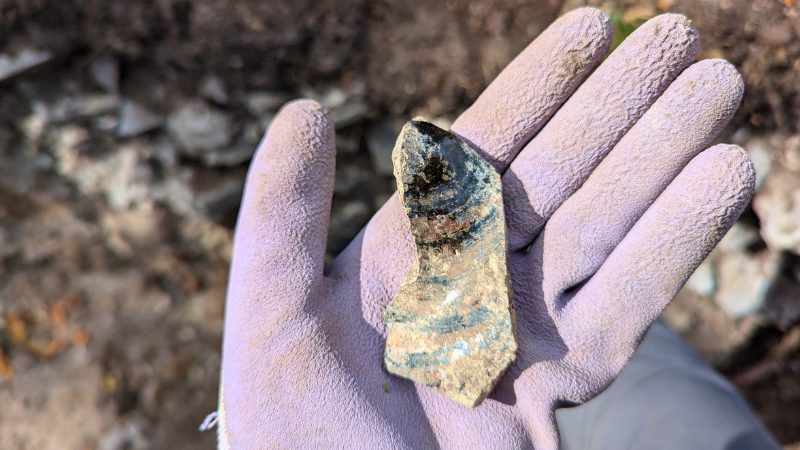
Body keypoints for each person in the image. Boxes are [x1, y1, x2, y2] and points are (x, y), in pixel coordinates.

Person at [214, 7, 781, 449]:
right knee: (651, 376)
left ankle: (629, 337)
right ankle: (631, 337)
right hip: (516, 362)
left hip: (515, 356)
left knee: (641, 368)